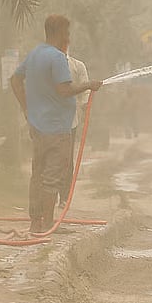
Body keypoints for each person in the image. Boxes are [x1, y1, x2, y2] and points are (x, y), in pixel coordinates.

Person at [9, 15, 102, 235]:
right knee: (52, 176)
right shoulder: (58, 57)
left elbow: (14, 80)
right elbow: (64, 90)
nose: (68, 38)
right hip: (57, 128)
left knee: (37, 173)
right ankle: (48, 225)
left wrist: (26, 108)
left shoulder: (35, 54)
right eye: (67, 33)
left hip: (37, 127)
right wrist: (89, 85)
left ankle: (35, 223)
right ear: (60, 33)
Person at [57, 53, 91, 207]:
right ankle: (47, 200)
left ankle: (64, 197)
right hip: (47, 121)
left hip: (70, 121)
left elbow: (85, 90)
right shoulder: (44, 64)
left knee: (66, 159)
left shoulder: (77, 66)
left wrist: (84, 106)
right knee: (48, 160)